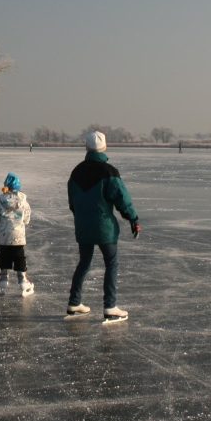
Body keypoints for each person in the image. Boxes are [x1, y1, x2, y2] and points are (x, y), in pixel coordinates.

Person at [66, 131, 140, 322]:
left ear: (87, 148)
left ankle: (74, 302)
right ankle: (110, 307)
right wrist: (133, 219)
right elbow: (122, 199)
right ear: (104, 147)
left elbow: (72, 202)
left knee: (84, 262)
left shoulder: (76, 172)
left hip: (83, 226)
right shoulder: (109, 172)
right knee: (111, 263)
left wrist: (81, 217)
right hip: (104, 228)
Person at [0, 172, 34, 297]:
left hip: (3, 233)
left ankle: (3, 279)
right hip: (18, 234)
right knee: (19, 256)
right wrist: (22, 222)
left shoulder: (0, 201)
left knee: (4, 254)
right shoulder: (23, 201)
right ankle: (22, 280)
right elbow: (27, 217)